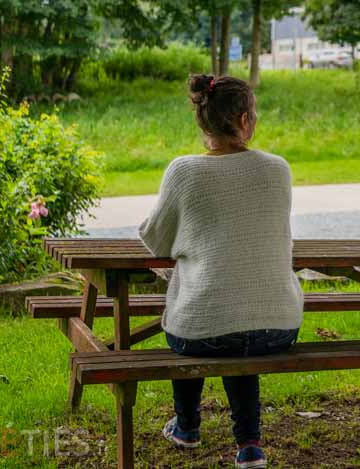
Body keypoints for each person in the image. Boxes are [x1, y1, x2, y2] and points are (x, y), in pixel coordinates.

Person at [138, 74, 303, 469]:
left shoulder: (183, 172)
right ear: (245, 120)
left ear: (203, 121)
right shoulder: (278, 170)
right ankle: (249, 444)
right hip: (279, 326)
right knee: (238, 323)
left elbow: (155, 242)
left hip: (205, 332)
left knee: (200, 320)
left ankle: (187, 426)